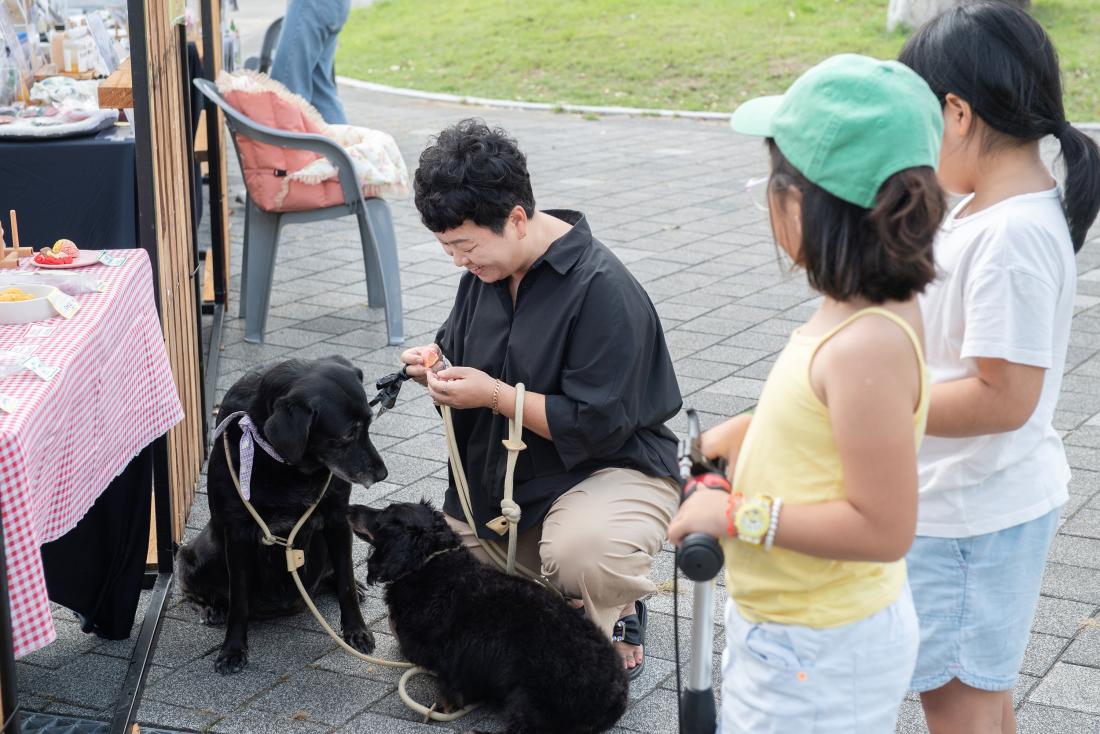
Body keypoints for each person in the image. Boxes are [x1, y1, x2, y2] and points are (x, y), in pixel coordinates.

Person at [668, 54, 947, 732]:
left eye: (771, 181)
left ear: (805, 204)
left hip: (817, 653)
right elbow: (834, 424)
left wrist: (734, 517)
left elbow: (885, 527)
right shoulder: (859, 313)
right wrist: (753, 430)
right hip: (799, 631)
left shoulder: (866, 343)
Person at [399, 119, 682, 678]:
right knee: (435, 586)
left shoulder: (603, 288)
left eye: (464, 246)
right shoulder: (485, 272)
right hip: (509, 486)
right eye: (447, 248)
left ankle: (616, 602)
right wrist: (435, 368)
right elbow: (463, 358)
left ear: (518, 219)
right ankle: (565, 598)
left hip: (606, 469)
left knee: (583, 556)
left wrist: (496, 396)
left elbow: (596, 423)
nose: (459, 261)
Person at [896, 4, 1100, 732]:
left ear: (956, 112)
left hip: (971, 515)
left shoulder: (1012, 233)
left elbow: (1005, 397)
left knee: (961, 709)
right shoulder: (985, 208)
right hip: (965, 503)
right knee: (979, 699)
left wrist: (878, 406)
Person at [269, 0, 351, 124]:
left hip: (312, 5)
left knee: (286, 93)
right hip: (332, 6)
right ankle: (343, 142)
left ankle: (289, 142)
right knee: (320, 95)